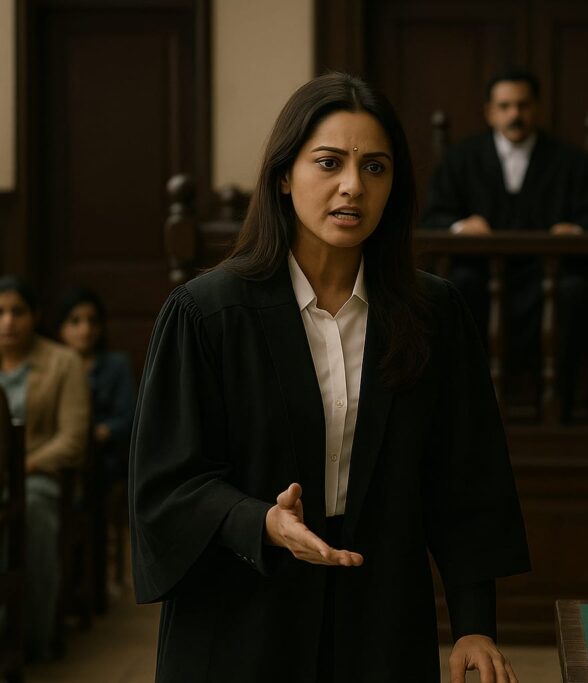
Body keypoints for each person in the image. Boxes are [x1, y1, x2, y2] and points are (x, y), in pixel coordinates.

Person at [129, 73, 530, 682]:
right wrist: (262, 520)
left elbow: (466, 476)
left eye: (375, 168)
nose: (352, 187)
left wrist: (475, 621)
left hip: (380, 602)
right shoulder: (206, 314)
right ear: (284, 176)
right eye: (329, 162)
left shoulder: (433, 314)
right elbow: (166, 484)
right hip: (243, 607)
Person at [421, 67, 588, 421]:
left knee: (574, 293)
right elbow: (432, 217)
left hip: (547, 280)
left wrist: (576, 231)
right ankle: (470, 410)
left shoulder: (571, 162)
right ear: (490, 112)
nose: (514, 115)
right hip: (482, 278)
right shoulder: (460, 160)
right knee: (458, 289)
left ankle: (560, 409)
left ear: (536, 109)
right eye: (505, 106)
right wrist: (462, 226)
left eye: (522, 105)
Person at [0, 276, 90, 660]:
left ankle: (28, 636)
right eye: (0, 313)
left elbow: (72, 440)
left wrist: (24, 467)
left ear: (34, 315)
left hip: (41, 478)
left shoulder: (62, 362)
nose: (7, 322)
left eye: (17, 312)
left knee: (31, 511)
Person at [55, 286, 136, 606]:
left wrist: (99, 433)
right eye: (75, 321)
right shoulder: (55, 365)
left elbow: (129, 416)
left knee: (93, 485)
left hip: (103, 458)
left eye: (91, 320)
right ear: (61, 327)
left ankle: (91, 586)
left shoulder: (115, 365)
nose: (84, 329)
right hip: (64, 456)